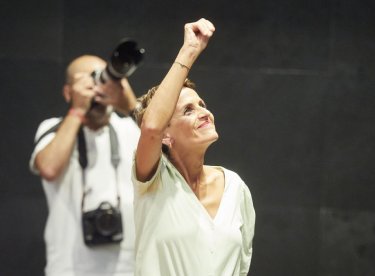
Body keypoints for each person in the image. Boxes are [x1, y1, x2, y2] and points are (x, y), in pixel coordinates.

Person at [131, 18, 256, 276]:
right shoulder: (153, 181)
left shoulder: (234, 186)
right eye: (188, 110)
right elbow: (151, 127)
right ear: (166, 135)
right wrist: (190, 50)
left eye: (202, 104)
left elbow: (242, 266)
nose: (204, 113)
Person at [29, 55, 140, 276]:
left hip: (130, 267)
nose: (96, 89)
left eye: (102, 80)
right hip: (70, 267)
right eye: (87, 82)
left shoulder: (133, 129)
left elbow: (170, 147)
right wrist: (78, 110)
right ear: (68, 92)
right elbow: (49, 169)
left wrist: (130, 105)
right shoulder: (53, 129)